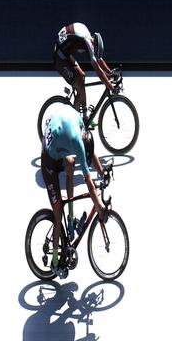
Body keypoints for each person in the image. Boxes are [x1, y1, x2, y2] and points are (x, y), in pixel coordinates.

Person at [40, 108, 105, 277]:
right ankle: (55, 262)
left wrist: (103, 172)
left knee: (70, 162)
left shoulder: (82, 127)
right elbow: (88, 180)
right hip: (48, 160)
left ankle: (71, 216)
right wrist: (98, 204)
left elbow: (92, 153)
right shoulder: (78, 144)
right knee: (57, 213)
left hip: (57, 131)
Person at [53, 22, 116, 120]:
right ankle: (74, 121)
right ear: (94, 45)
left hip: (65, 53)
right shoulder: (88, 42)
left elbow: (99, 59)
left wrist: (111, 73)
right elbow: (98, 71)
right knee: (80, 87)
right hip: (60, 59)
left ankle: (84, 115)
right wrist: (111, 87)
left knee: (82, 76)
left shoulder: (88, 36)